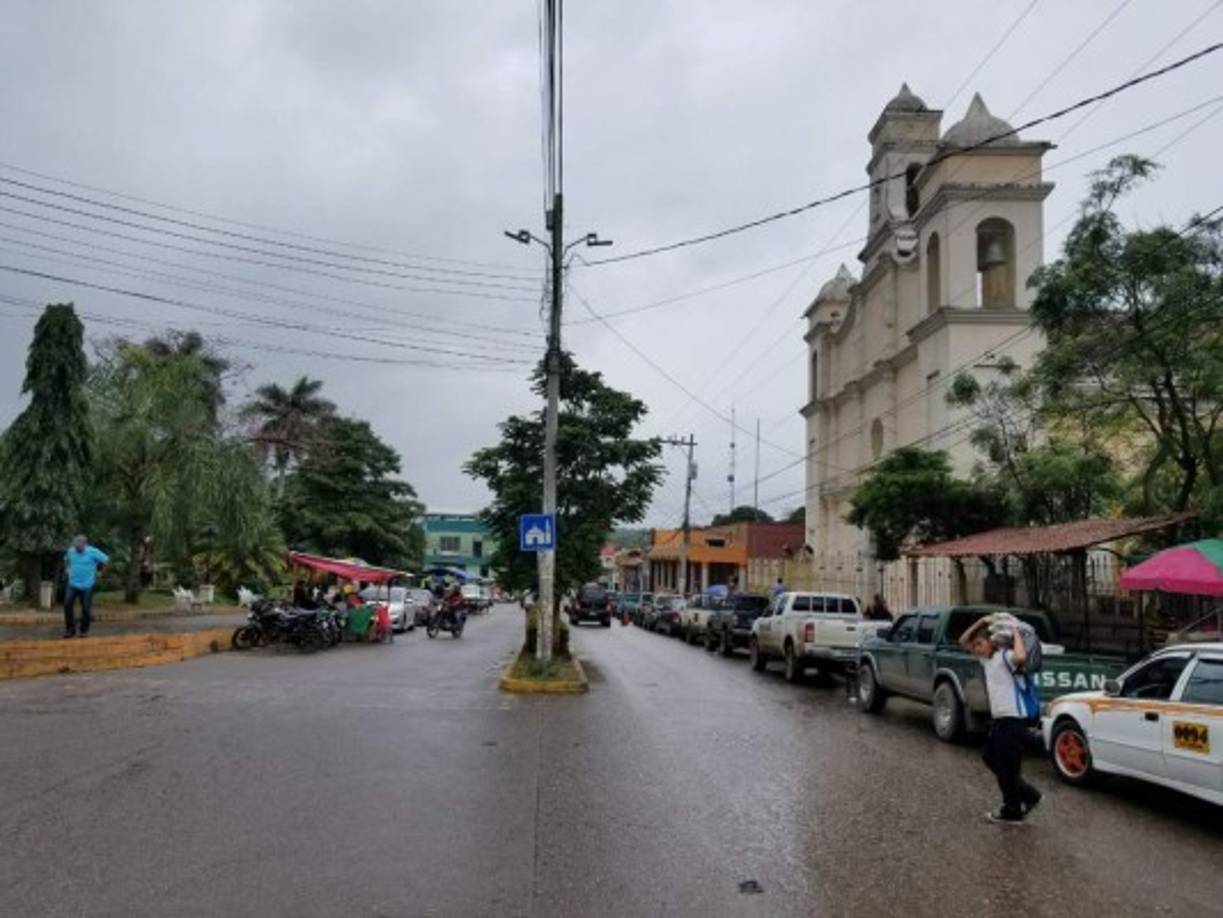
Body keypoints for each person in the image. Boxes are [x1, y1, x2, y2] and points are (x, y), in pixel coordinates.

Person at [959, 615, 1043, 825]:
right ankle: (1029, 795)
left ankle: (1012, 810)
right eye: (976, 645)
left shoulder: (1004, 657)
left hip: (1012, 719)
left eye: (980, 644)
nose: (976, 648)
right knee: (989, 757)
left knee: (1008, 767)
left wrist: (1015, 630)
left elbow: (1021, 657)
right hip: (1000, 720)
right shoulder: (986, 661)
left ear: (992, 643)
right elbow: (962, 641)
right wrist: (980, 622)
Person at [63, 534, 108, 638]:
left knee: (86, 609)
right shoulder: (71, 551)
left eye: (79, 547)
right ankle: (70, 630)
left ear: (85, 544)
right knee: (67, 604)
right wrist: (67, 569)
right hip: (72, 584)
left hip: (87, 585)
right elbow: (66, 559)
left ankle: (83, 631)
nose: (77, 548)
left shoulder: (93, 552)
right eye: (76, 546)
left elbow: (106, 560)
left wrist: (101, 573)